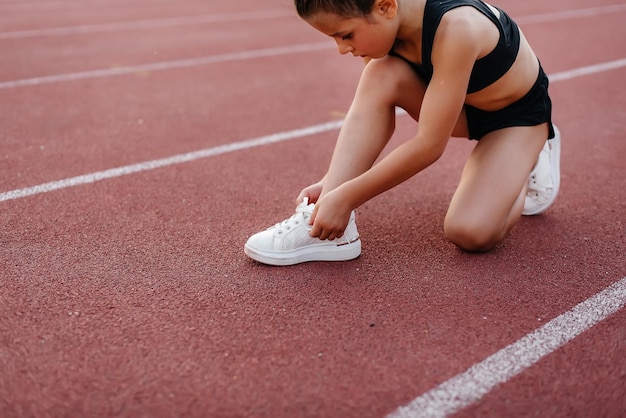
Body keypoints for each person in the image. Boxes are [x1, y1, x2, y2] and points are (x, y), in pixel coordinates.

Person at [244, 0, 561, 266]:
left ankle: (528, 158)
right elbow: (374, 112)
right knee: (380, 73)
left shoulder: (458, 27)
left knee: (471, 232)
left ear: (385, 6)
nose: (342, 49)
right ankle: (328, 226)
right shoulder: (384, 27)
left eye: (346, 35)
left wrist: (350, 196)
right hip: (460, 108)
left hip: (514, 119)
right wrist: (333, 185)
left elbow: (429, 145)